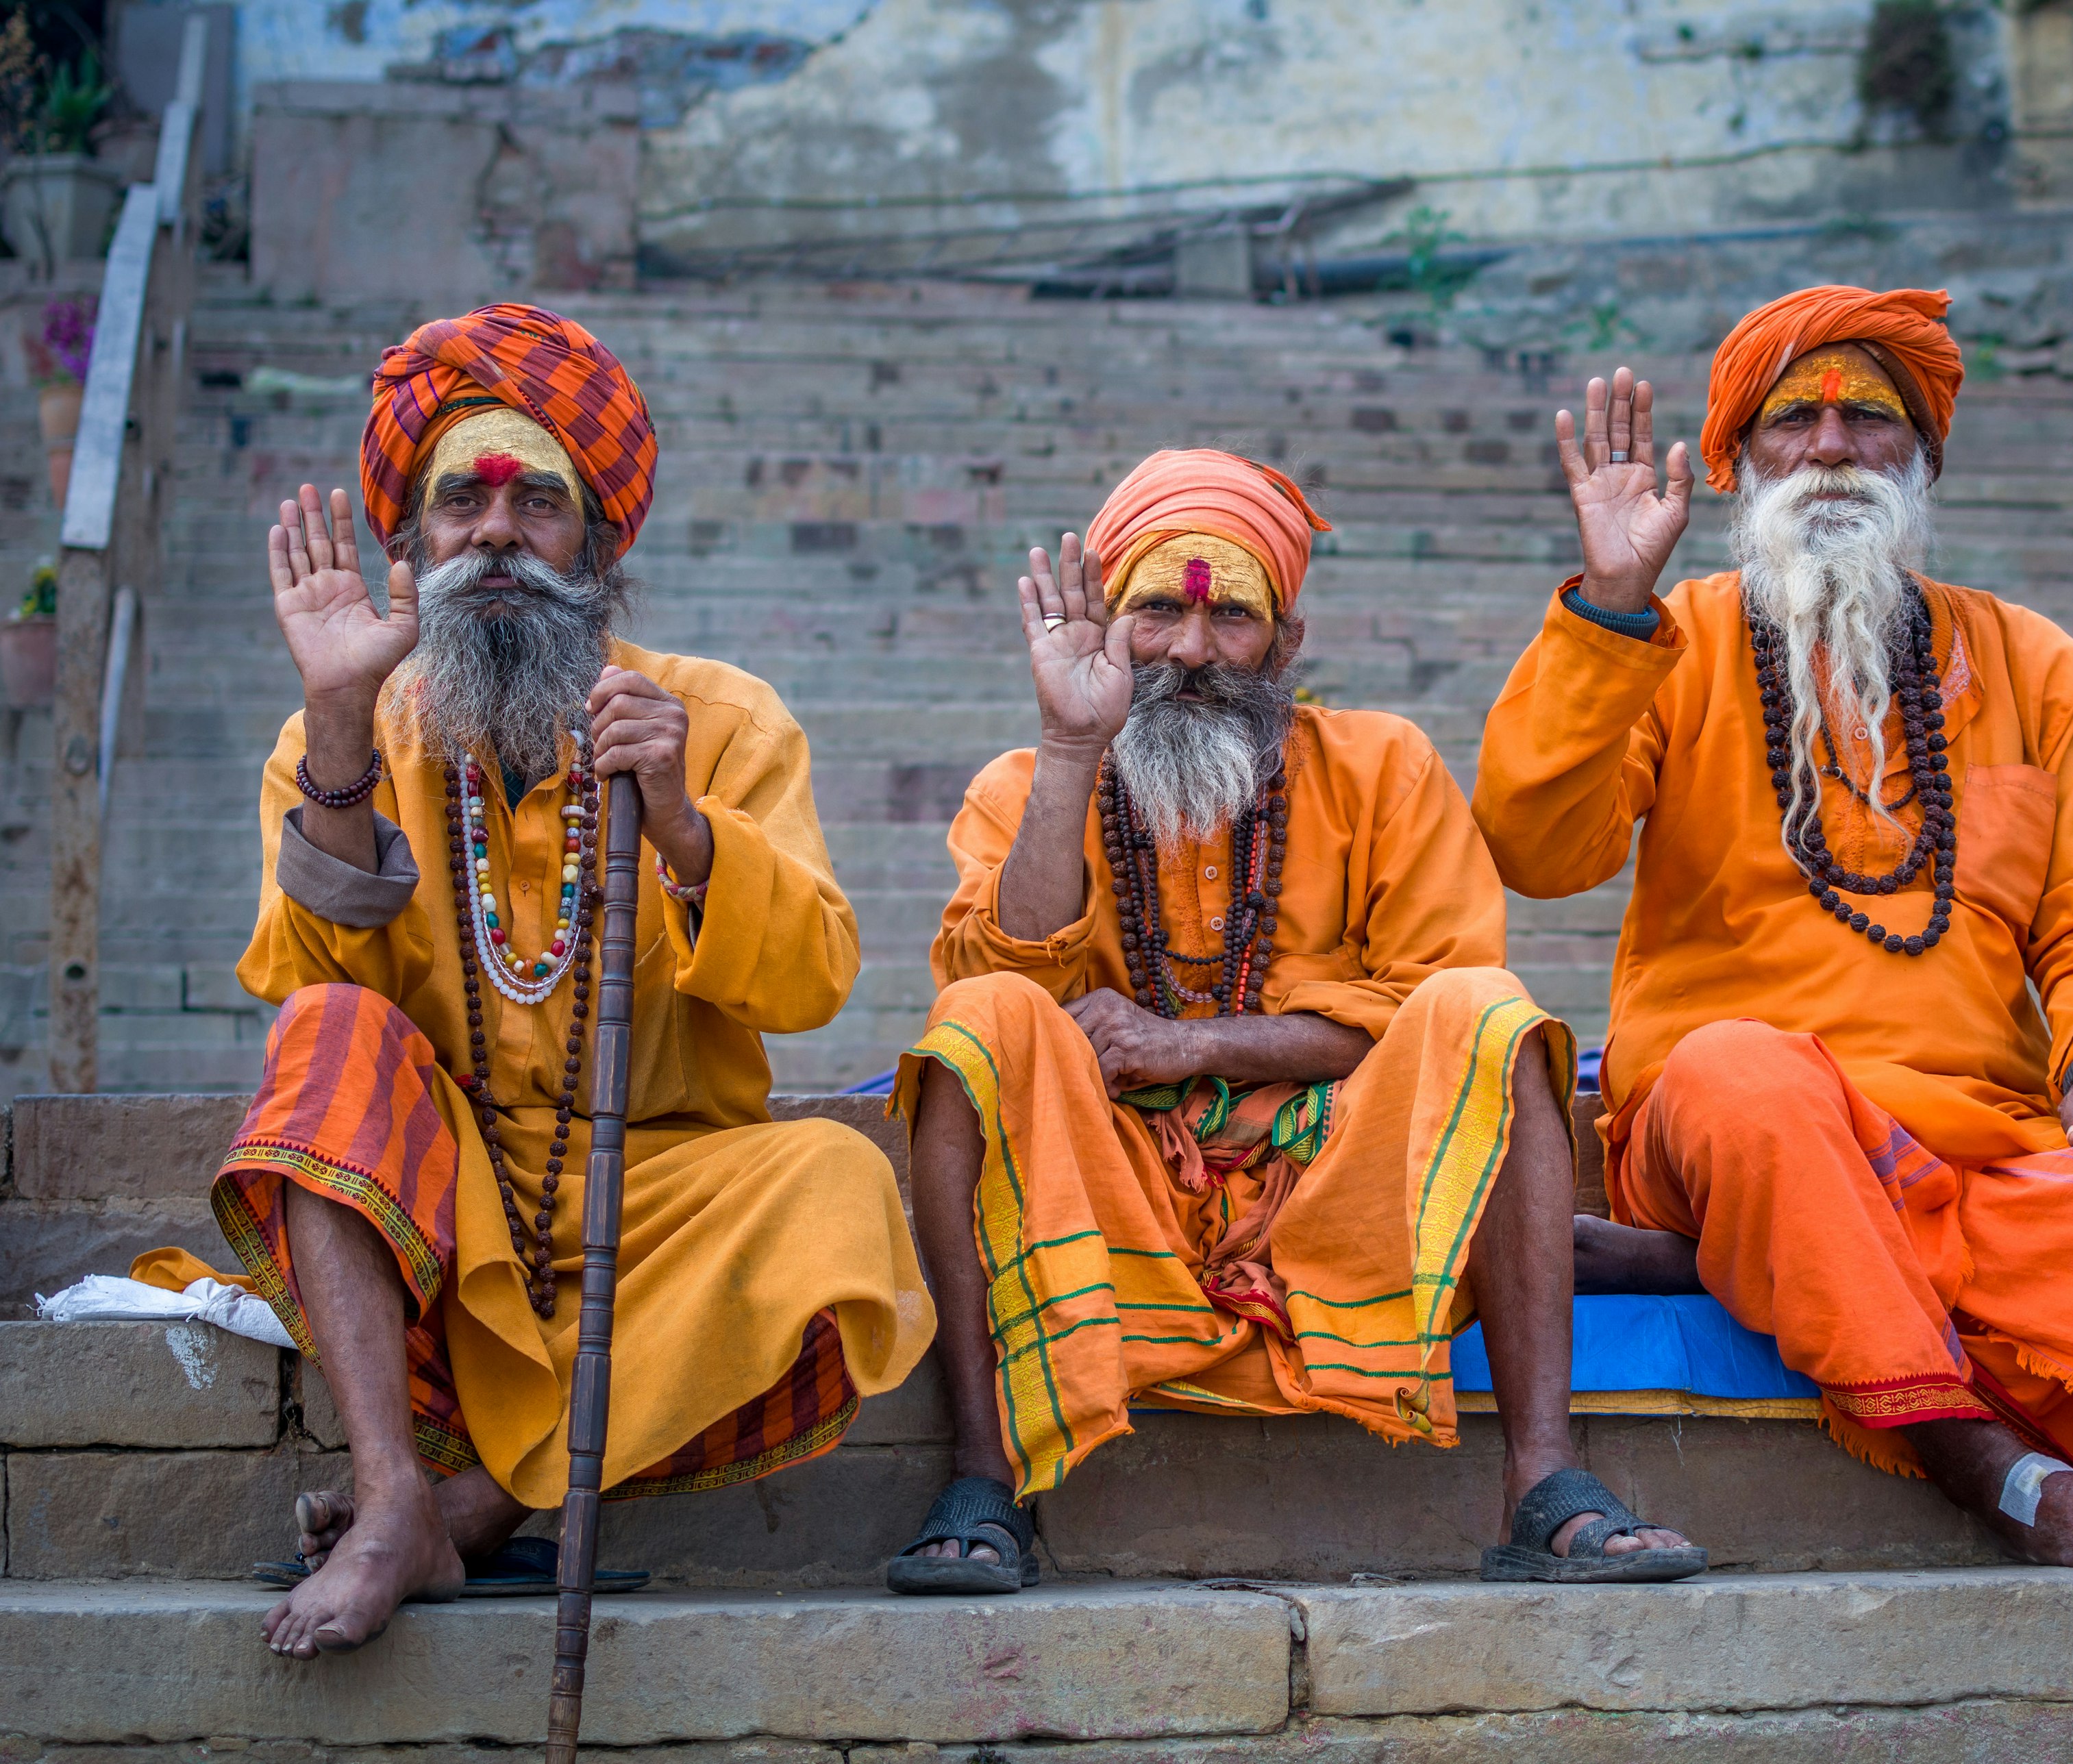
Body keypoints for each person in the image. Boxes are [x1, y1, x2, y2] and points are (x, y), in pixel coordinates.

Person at [1472, 286, 2073, 1570]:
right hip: (1734, 1114)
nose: (1829, 447)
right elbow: (1538, 850)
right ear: (1741, 459)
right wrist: (1609, 606)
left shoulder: (2028, 659)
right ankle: (1993, 1470)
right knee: (1747, 1078)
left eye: (1868, 421)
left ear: (1922, 456)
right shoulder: (1672, 643)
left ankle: (1738, 1264)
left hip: (1970, 1137)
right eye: (1794, 422)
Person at [203, 303, 932, 1658]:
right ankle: (386, 1499)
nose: (494, 533)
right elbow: (307, 996)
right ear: (411, 545)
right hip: (441, 1194)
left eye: (537, 503)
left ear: (599, 543)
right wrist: (345, 723)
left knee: (836, 1191)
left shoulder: (720, 720)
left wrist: (682, 822)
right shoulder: (340, 736)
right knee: (329, 1032)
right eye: (459, 503)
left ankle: (464, 1511)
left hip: (653, 1196)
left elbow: (818, 977)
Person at [889, 448, 1700, 1592]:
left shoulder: (1383, 769)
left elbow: (1434, 995)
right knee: (976, 1021)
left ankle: (1541, 1481)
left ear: (1288, 643)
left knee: (1493, 1012)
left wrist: (1198, 1044)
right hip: (1121, 1188)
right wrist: (1074, 748)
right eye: (1157, 611)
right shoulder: (1027, 785)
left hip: (1343, 1192)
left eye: (1232, 621)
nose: (1189, 650)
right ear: (1109, 628)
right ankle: (986, 1476)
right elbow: (1001, 975)